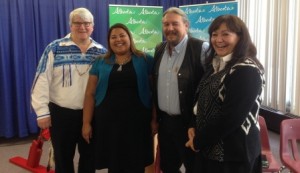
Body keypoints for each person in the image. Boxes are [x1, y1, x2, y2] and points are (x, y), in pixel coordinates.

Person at [31, 7, 107, 173]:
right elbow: (41, 79)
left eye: (87, 23)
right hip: (61, 114)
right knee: (63, 157)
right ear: (70, 25)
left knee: (89, 157)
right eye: (77, 23)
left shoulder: (101, 52)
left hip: (91, 115)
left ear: (92, 26)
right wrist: (42, 112)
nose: (82, 27)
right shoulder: (54, 48)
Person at [185, 14, 265, 173]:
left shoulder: (246, 70)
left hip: (233, 155)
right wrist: (193, 126)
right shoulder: (216, 64)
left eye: (226, 34)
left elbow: (231, 118)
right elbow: (200, 99)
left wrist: (198, 140)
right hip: (209, 148)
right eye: (214, 34)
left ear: (240, 38)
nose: (218, 39)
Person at [82, 23, 154, 173]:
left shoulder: (145, 59)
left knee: (136, 161)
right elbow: (90, 93)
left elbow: (154, 92)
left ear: (129, 38)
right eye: (113, 37)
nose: (118, 40)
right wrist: (86, 123)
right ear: (109, 41)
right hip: (108, 123)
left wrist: (154, 120)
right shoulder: (100, 61)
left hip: (137, 123)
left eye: (122, 35)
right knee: (114, 162)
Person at [152, 7, 209, 173]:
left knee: (195, 167)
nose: (170, 28)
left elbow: (209, 88)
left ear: (186, 25)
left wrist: (198, 124)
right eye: (166, 24)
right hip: (165, 123)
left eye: (175, 24)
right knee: (168, 167)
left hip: (191, 124)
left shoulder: (201, 48)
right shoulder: (159, 49)